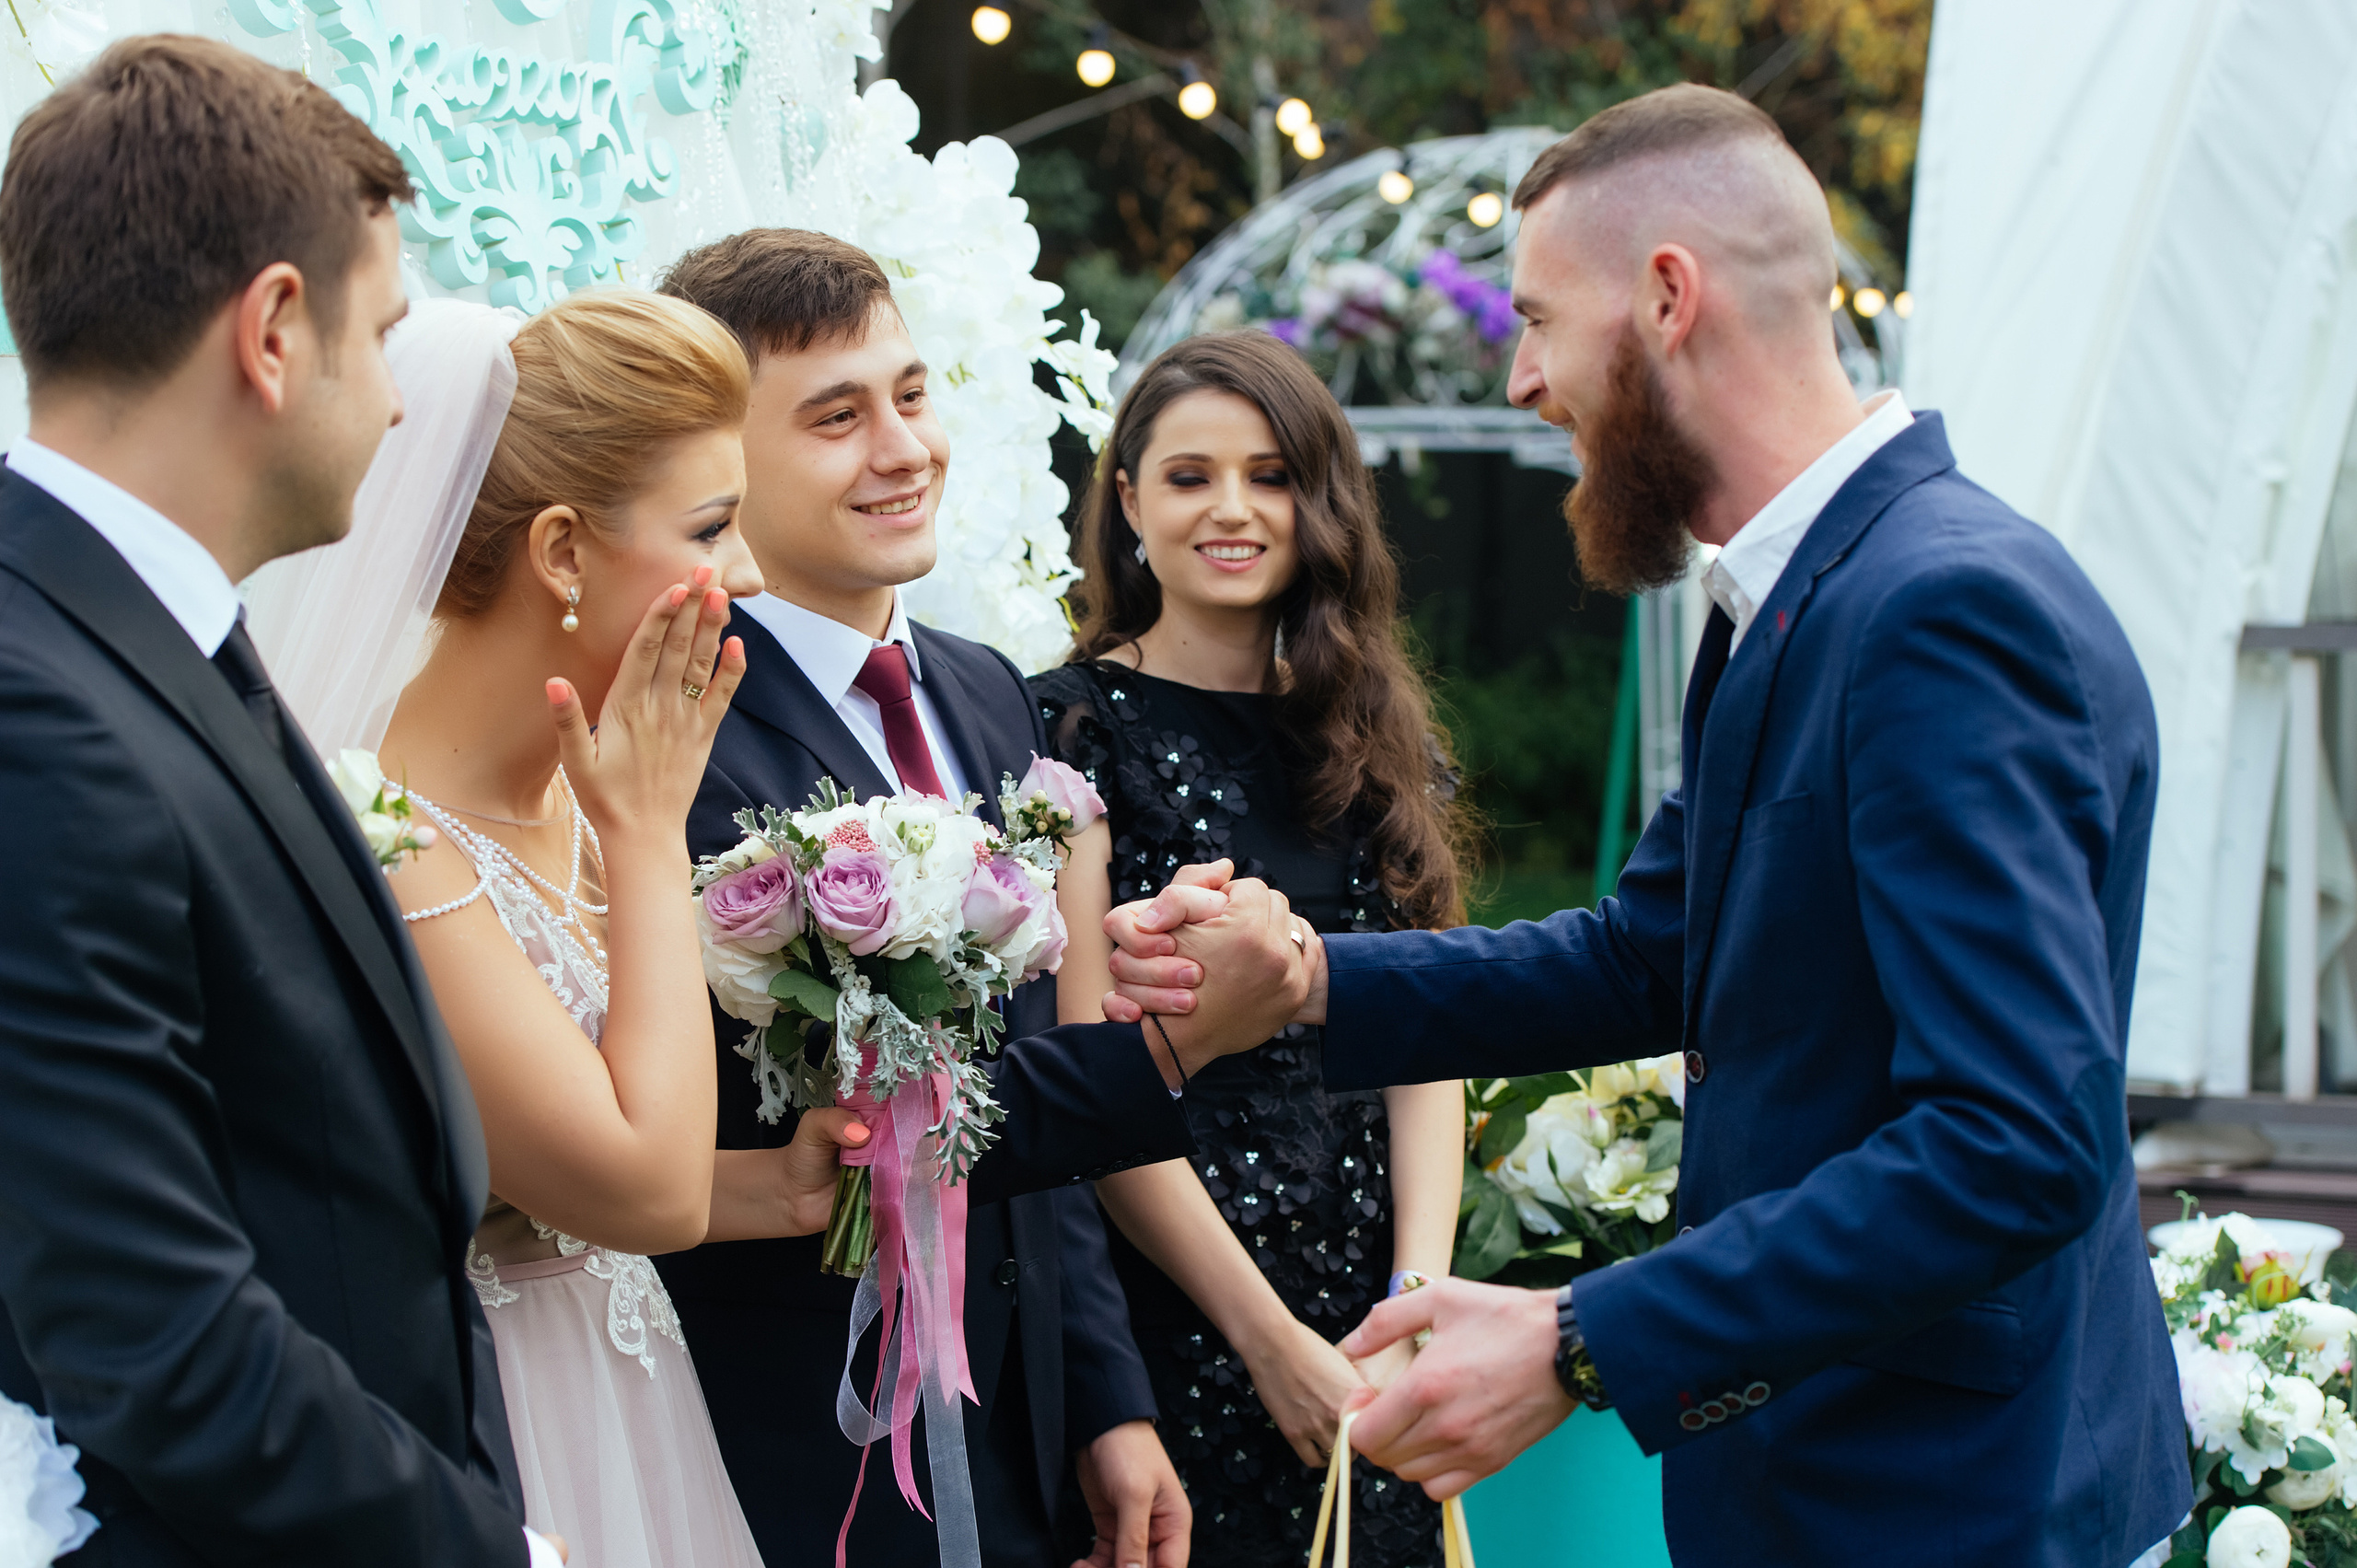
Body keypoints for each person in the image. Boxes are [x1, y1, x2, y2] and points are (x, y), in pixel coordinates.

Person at [1097, 85, 2189, 1567]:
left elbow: (2016, 1139)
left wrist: (1577, 1340)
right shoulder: (1795, 599)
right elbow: (1644, 957)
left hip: (1940, 1497)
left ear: (1669, 297)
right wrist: (1303, 979)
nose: (1524, 384)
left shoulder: (1941, 611)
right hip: (1827, 1473)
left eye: (1540, 323)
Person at [0, 36, 545, 1566]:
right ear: (275, 331)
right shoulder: (32, 711)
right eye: (384, 337)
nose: (393, 408)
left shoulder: (151, 632)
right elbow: (150, 1336)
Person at [652, 229, 1195, 1568]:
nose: (903, 448)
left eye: (911, 394)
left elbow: (1033, 1070)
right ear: (718, 463)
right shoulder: (665, 738)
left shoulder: (989, 690)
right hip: (784, 1442)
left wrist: (1108, 1401)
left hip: (1014, 1434)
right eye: (838, 418)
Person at [366, 290, 872, 1568]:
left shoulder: (585, 802)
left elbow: (568, 1163)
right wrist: (649, 834)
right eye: (711, 526)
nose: (748, 572)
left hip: (631, 1398)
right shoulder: (393, 841)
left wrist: (771, 1188)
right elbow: (637, 1187)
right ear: (563, 554)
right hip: (500, 1433)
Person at [1031, 331, 1466, 1568]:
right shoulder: (1065, 728)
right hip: (1184, 1318)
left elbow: (1431, 1024)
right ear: (1126, 501)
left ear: (1320, 500)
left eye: (1270, 475)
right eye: (1189, 476)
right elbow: (1081, 1077)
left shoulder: (1373, 730)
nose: (1233, 509)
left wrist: (1419, 1300)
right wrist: (1267, 1342)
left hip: (1375, 1330)